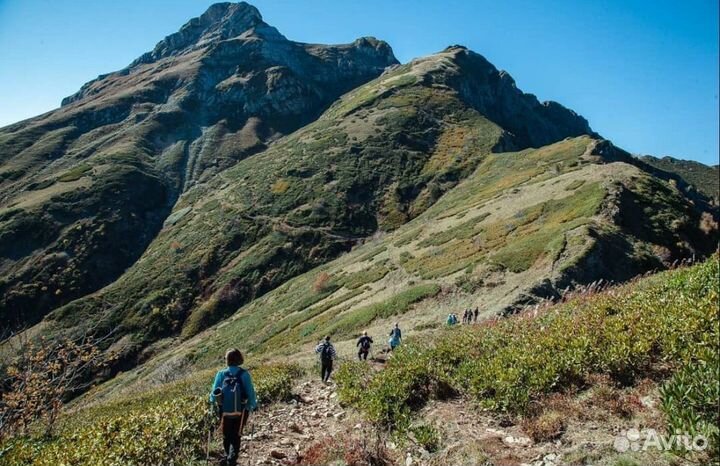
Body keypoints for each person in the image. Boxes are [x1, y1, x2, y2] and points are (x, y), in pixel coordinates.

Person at [210, 348, 258, 466]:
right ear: (239, 359)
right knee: (237, 435)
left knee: (226, 435)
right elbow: (250, 392)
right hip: (241, 410)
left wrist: (212, 402)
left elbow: (213, 395)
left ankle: (228, 457)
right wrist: (253, 405)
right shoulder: (244, 374)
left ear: (227, 360)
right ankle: (232, 459)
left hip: (224, 410)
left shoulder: (221, 374)